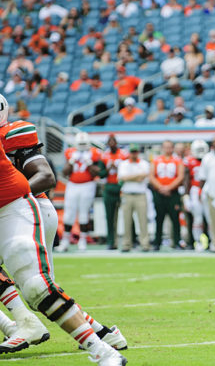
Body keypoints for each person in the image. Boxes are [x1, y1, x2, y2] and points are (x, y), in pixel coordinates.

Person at [0, 103, 127, 353]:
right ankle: (103, 334)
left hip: (28, 211)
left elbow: (46, 177)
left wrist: (13, 196)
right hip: (15, 213)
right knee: (42, 292)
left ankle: (26, 325)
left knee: (39, 289)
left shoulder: (13, 134)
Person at [58, 132, 104, 252]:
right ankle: (65, 241)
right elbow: (65, 172)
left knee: (84, 213)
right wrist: (72, 161)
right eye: (80, 144)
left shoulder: (94, 152)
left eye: (84, 143)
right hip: (72, 184)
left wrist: (89, 163)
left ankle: (82, 240)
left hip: (88, 184)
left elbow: (97, 172)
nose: (82, 146)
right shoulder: (70, 152)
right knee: (69, 214)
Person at [150, 140, 184, 251]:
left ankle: (177, 241)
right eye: (165, 147)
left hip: (173, 193)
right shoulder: (156, 160)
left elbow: (180, 176)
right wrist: (161, 187)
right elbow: (151, 176)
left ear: (172, 148)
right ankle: (157, 242)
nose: (167, 149)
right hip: (159, 193)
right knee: (159, 218)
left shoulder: (177, 161)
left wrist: (169, 188)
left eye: (169, 147)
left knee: (175, 218)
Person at [117, 143, 151, 252]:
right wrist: (137, 176)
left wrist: (129, 177)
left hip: (140, 194)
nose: (134, 154)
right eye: (132, 152)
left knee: (142, 220)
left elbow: (144, 176)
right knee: (127, 220)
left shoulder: (144, 164)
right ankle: (127, 244)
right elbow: (122, 178)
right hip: (127, 194)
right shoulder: (124, 164)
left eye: (135, 151)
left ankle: (144, 244)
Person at [100, 135, 128, 250]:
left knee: (128, 215)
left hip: (122, 186)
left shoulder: (124, 154)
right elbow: (101, 174)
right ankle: (111, 241)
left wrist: (118, 168)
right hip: (109, 186)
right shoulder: (104, 156)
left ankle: (131, 240)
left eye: (113, 141)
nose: (112, 144)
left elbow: (128, 169)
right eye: (109, 142)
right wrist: (108, 168)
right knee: (110, 216)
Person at [182, 139, 209, 251]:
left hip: (208, 189)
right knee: (197, 219)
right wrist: (186, 195)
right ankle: (197, 241)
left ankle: (212, 240)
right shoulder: (189, 161)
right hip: (194, 190)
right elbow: (186, 179)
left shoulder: (209, 159)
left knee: (210, 218)